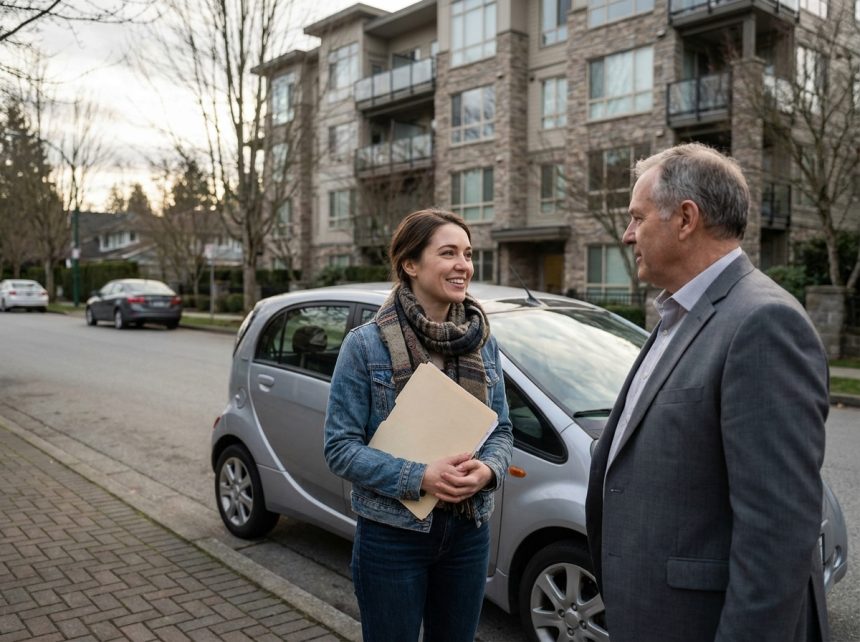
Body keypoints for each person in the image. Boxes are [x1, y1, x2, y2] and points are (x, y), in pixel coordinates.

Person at [585, 143, 830, 642]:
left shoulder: (763, 323)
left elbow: (777, 537)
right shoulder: (681, 313)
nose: (628, 235)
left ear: (686, 218)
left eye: (637, 218)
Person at [324, 209, 513, 642]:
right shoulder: (366, 344)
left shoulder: (482, 341)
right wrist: (421, 476)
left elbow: (501, 429)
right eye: (448, 253)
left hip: (468, 532)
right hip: (392, 537)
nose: (463, 264)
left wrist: (487, 471)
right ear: (411, 264)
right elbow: (340, 447)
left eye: (467, 253)